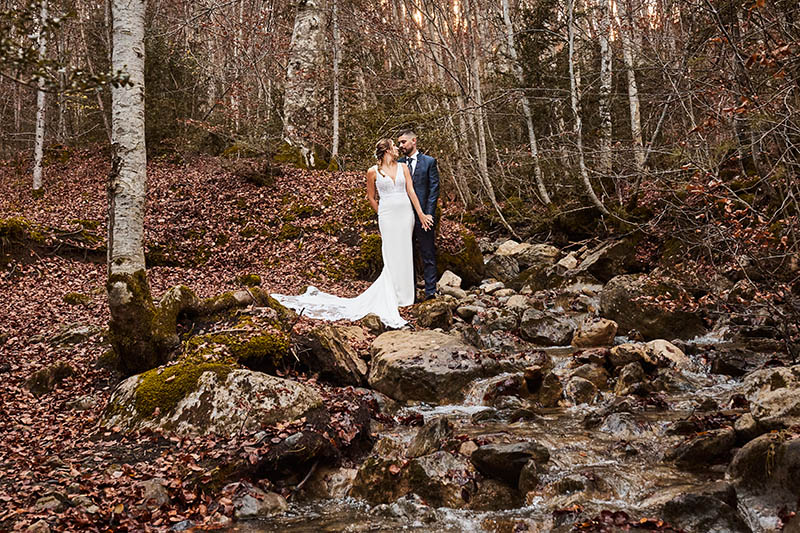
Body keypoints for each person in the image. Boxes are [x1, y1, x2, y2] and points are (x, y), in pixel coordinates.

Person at [272, 139, 433, 328]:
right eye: (394, 146)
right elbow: (371, 197)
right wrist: (381, 212)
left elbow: (411, 191)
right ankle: (392, 294)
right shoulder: (372, 171)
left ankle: (406, 297)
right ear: (387, 150)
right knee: (390, 252)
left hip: (406, 214)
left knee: (405, 251)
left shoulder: (403, 168)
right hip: (387, 215)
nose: (397, 149)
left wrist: (421, 214)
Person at [397, 130, 440, 301]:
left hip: (424, 217)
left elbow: (434, 190)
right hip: (403, 216)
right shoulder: (398, 164)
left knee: (427, 253)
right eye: (399, 143)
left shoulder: (429, 162)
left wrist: (427, 215)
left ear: (414, 141)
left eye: (403, 142)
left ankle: (430, 292)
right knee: (407, 255)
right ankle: (410, 293)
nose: (401, 146)